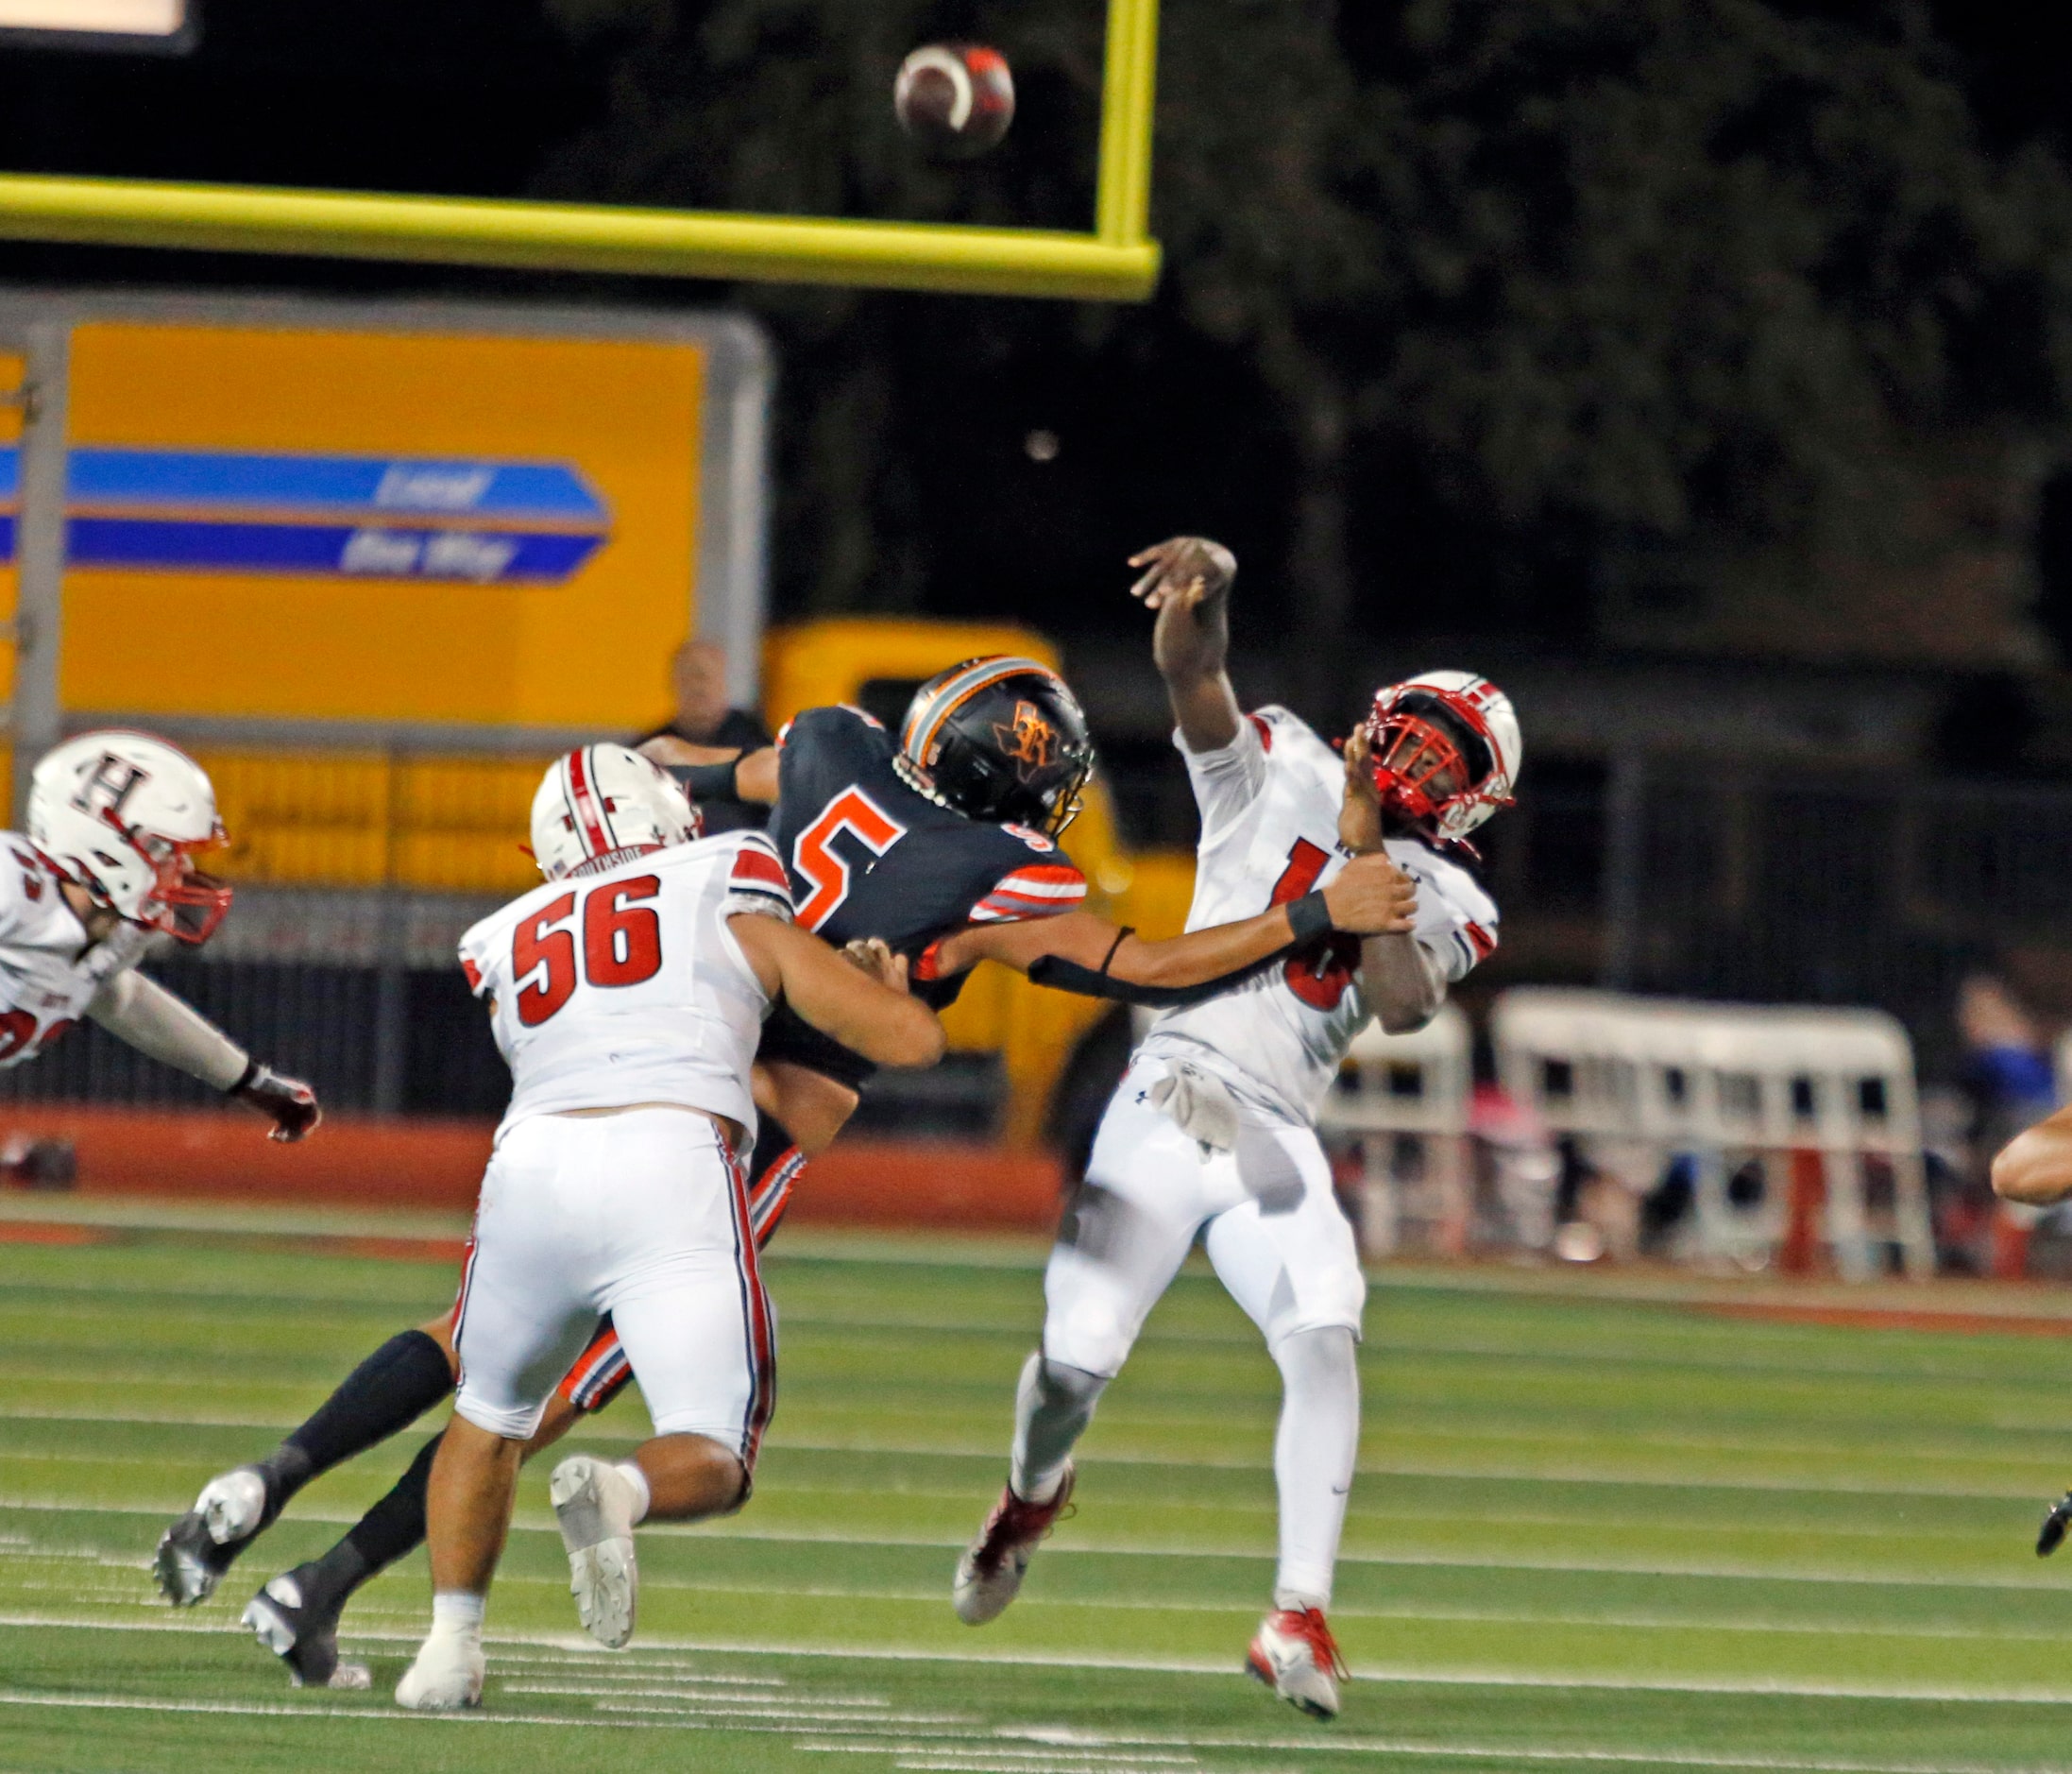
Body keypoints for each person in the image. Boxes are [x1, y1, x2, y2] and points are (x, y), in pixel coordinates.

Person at [176, 661, 1414, 1690]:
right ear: (1018, 780)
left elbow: (675, 770)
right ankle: (334, 1583)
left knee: (477, 1349)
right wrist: (1311, 913)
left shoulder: (831, 747)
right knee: (552, 1407)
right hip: (725, 1135)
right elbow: (1146, 964)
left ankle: (280, 1510)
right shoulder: (1002, 872)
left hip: (603, 1067)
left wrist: (637, 786)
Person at [948, 537, 1518, 1722]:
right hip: (1162, 1098)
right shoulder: (1283, 760)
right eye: (1412, 727)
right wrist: (1206, 591)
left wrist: (1367, 848)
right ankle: (1030, 1490)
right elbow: (1191, 677)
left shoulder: (1456, 893)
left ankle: (1297, 1611)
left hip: (1272, 1134)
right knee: (1076, 1358)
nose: (1414, 754)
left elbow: (1404, 1004)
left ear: (1476, 794)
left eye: (1445, 753)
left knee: (1325, 1329)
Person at [393, 742, 944, 1709]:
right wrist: (875, 984)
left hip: (530, 1169)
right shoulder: (724, 876)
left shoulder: (507, 934)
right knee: (713, 1449)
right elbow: (905, 1040)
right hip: (673, 1162)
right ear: (665, 819)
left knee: (485, 1416)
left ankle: (447, 1652)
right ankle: (621, 1492)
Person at [0, 730, 317, 1134]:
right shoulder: (12, 883)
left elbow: (127, 1004)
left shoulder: (98, 937)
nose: (183, 870)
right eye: (168, 850)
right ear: (105, 844)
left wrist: (248, 1081)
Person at [633, 640, 771, 833]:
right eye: (691, 675)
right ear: (673, 681)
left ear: (724, 679)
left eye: (707, 675)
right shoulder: (647, 751)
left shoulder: (757, 740)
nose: (699, 686)